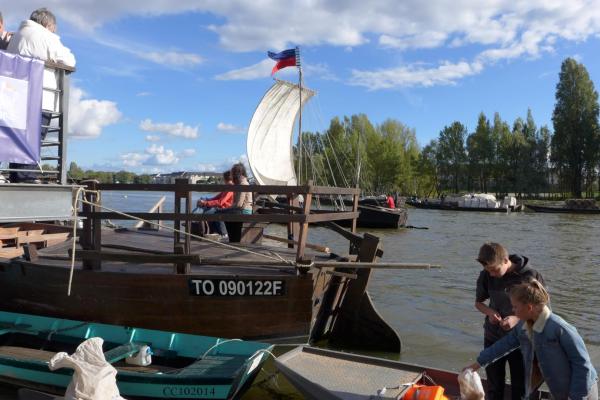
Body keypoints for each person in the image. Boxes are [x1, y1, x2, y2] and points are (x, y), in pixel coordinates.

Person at [465, 279, 598, 400]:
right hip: (558, 390)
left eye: (515, 307)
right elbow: (502, 346)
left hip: (582, 392)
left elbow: (582, 365)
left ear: (529, 307)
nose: (513, 310)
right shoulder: (523, 326)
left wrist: (576, 397)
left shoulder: (560, 328)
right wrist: (477, 364)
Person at [6, 8, 76, 183]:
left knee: (18, 137)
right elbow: (69, 60)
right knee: (34, 136)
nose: (54, 32)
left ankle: (17, 175)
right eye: (53, 28)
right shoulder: (43, 36)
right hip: (39, 96)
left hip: (16, 93)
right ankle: (25, 177)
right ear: (47, 25)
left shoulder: (18, 36)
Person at [474, 242, 545, 400]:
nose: (491, 274)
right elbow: (478, 303)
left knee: (520, 388)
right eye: (488, 270)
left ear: (506, 260)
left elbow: (543, 309)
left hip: (522, 340)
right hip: (493, 337)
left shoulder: (530, 275)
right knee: (494, 386)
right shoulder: (486, 275)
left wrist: (516, 318)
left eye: (494, 270)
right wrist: (490, 312)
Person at [196, 171, 233, 237]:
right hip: (221, 207)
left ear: (225, 179)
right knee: (207, 211)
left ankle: (223, 233)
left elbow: (220, 202)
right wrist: (205, 200)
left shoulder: (230, 188)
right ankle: (211, 230)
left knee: (206, 213)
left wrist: (205, 203)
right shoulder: (227, 187)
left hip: (225, 209)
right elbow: (216, 198)